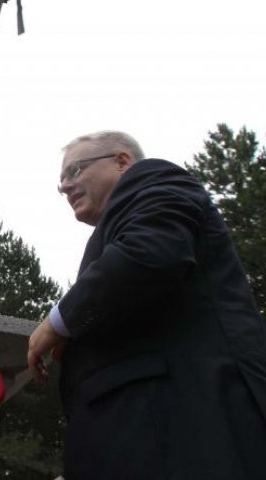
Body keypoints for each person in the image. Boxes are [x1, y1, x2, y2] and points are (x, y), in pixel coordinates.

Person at [27, 131, 266, 479]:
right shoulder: (122, 219)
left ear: (123, 161)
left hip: (184, 430)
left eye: (75, 170)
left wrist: (57, 322)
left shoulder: (153, 178)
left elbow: (148, 253)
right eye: (61, 180)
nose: (65, 186)